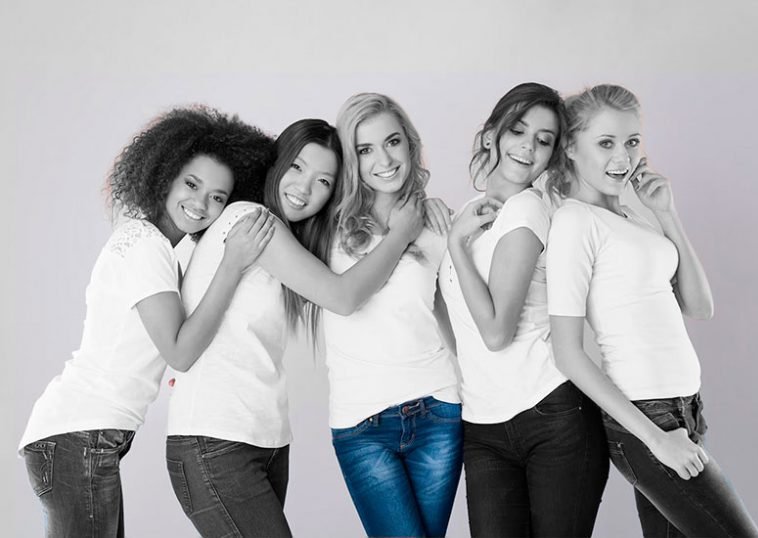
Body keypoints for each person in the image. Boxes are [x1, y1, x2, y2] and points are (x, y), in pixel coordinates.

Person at [19, 106, 276, 538]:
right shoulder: (144, 243)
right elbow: (180, 351)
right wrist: (232, 264)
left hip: (83, 436)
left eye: (218, 197)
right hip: (78, 434)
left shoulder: (158, 249)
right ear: (165, 175)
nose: (201, 203)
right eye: (191, 184)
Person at [165, 118, 424, 537]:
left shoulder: (282, 239)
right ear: (275, 163)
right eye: (297, 167)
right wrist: (400, 235)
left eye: (323, 181)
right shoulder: (251, 220)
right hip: (215, 439)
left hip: (260, 440)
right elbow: (342, 296)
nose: (304, 188)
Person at [546, 84, 758, 537]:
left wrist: (666, 213)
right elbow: (567, 353)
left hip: (687, 411)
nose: (622, 157)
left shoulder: (635, 219)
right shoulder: (574, 221)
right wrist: (655, 438)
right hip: (648, 418)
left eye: (631, 141)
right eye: (605, 143)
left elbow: (699, 306)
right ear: (571, 147)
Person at [439, 82, 609, 537]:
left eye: (543, 140)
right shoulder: (470, 213)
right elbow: (457, 328)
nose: (528, 147)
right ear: (490, 134)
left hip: (551, 416)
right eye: (518, 131)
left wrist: (455, 246)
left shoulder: (526, 210)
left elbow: (495, 332)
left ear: (552, 156)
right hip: (483, 425)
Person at [323, 93, 462, 538]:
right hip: (361, 424)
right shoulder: (325, 226)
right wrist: (401, 233)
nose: (384, 159)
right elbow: (347, 298)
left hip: (438, 410)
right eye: (365, 149)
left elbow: (448, 317)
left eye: (393, 142)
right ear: (351, 160)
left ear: (410, 144)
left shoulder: (437, 222)